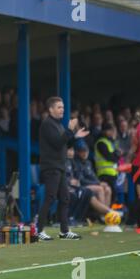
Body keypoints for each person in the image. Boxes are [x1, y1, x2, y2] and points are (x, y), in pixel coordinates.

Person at [37, 96, 89, 241]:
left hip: (59, 166)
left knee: (65, 198)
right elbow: (57, 142)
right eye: (59, 107)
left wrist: (75, 136)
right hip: (51, 166)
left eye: (63, 107)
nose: (62, 110)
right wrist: (70, 130)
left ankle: (64, 231)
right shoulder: (47, 124)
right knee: (50, 197)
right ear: (51, 109)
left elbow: (64, 143)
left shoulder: (58, 125)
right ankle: (39, 230)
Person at [75, 140, 112, 207]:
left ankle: (106, 213)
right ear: (77, 152)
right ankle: (103, 214)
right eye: (82, 151)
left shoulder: (88, 163)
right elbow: (81, 180)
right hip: (81, 185)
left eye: (86, 151)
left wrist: (99, 182)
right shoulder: (76, 163)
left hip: (92, 185)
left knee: (107, 189)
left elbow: (93, 176)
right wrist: (98, 184)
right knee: (100, 189)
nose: (85, 153)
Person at [94, 123, 121, 204]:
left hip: (112, 173)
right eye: (111, 130)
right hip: (104, 174)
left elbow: (116, 155)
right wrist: (117, 154)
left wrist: (117, 154)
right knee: (110, 194)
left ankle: (111, 214)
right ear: (105, 131)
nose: (112, 132)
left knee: (114, 195)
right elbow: (111, 157)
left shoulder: (110, 142)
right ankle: (107, 213)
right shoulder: (101, 142)